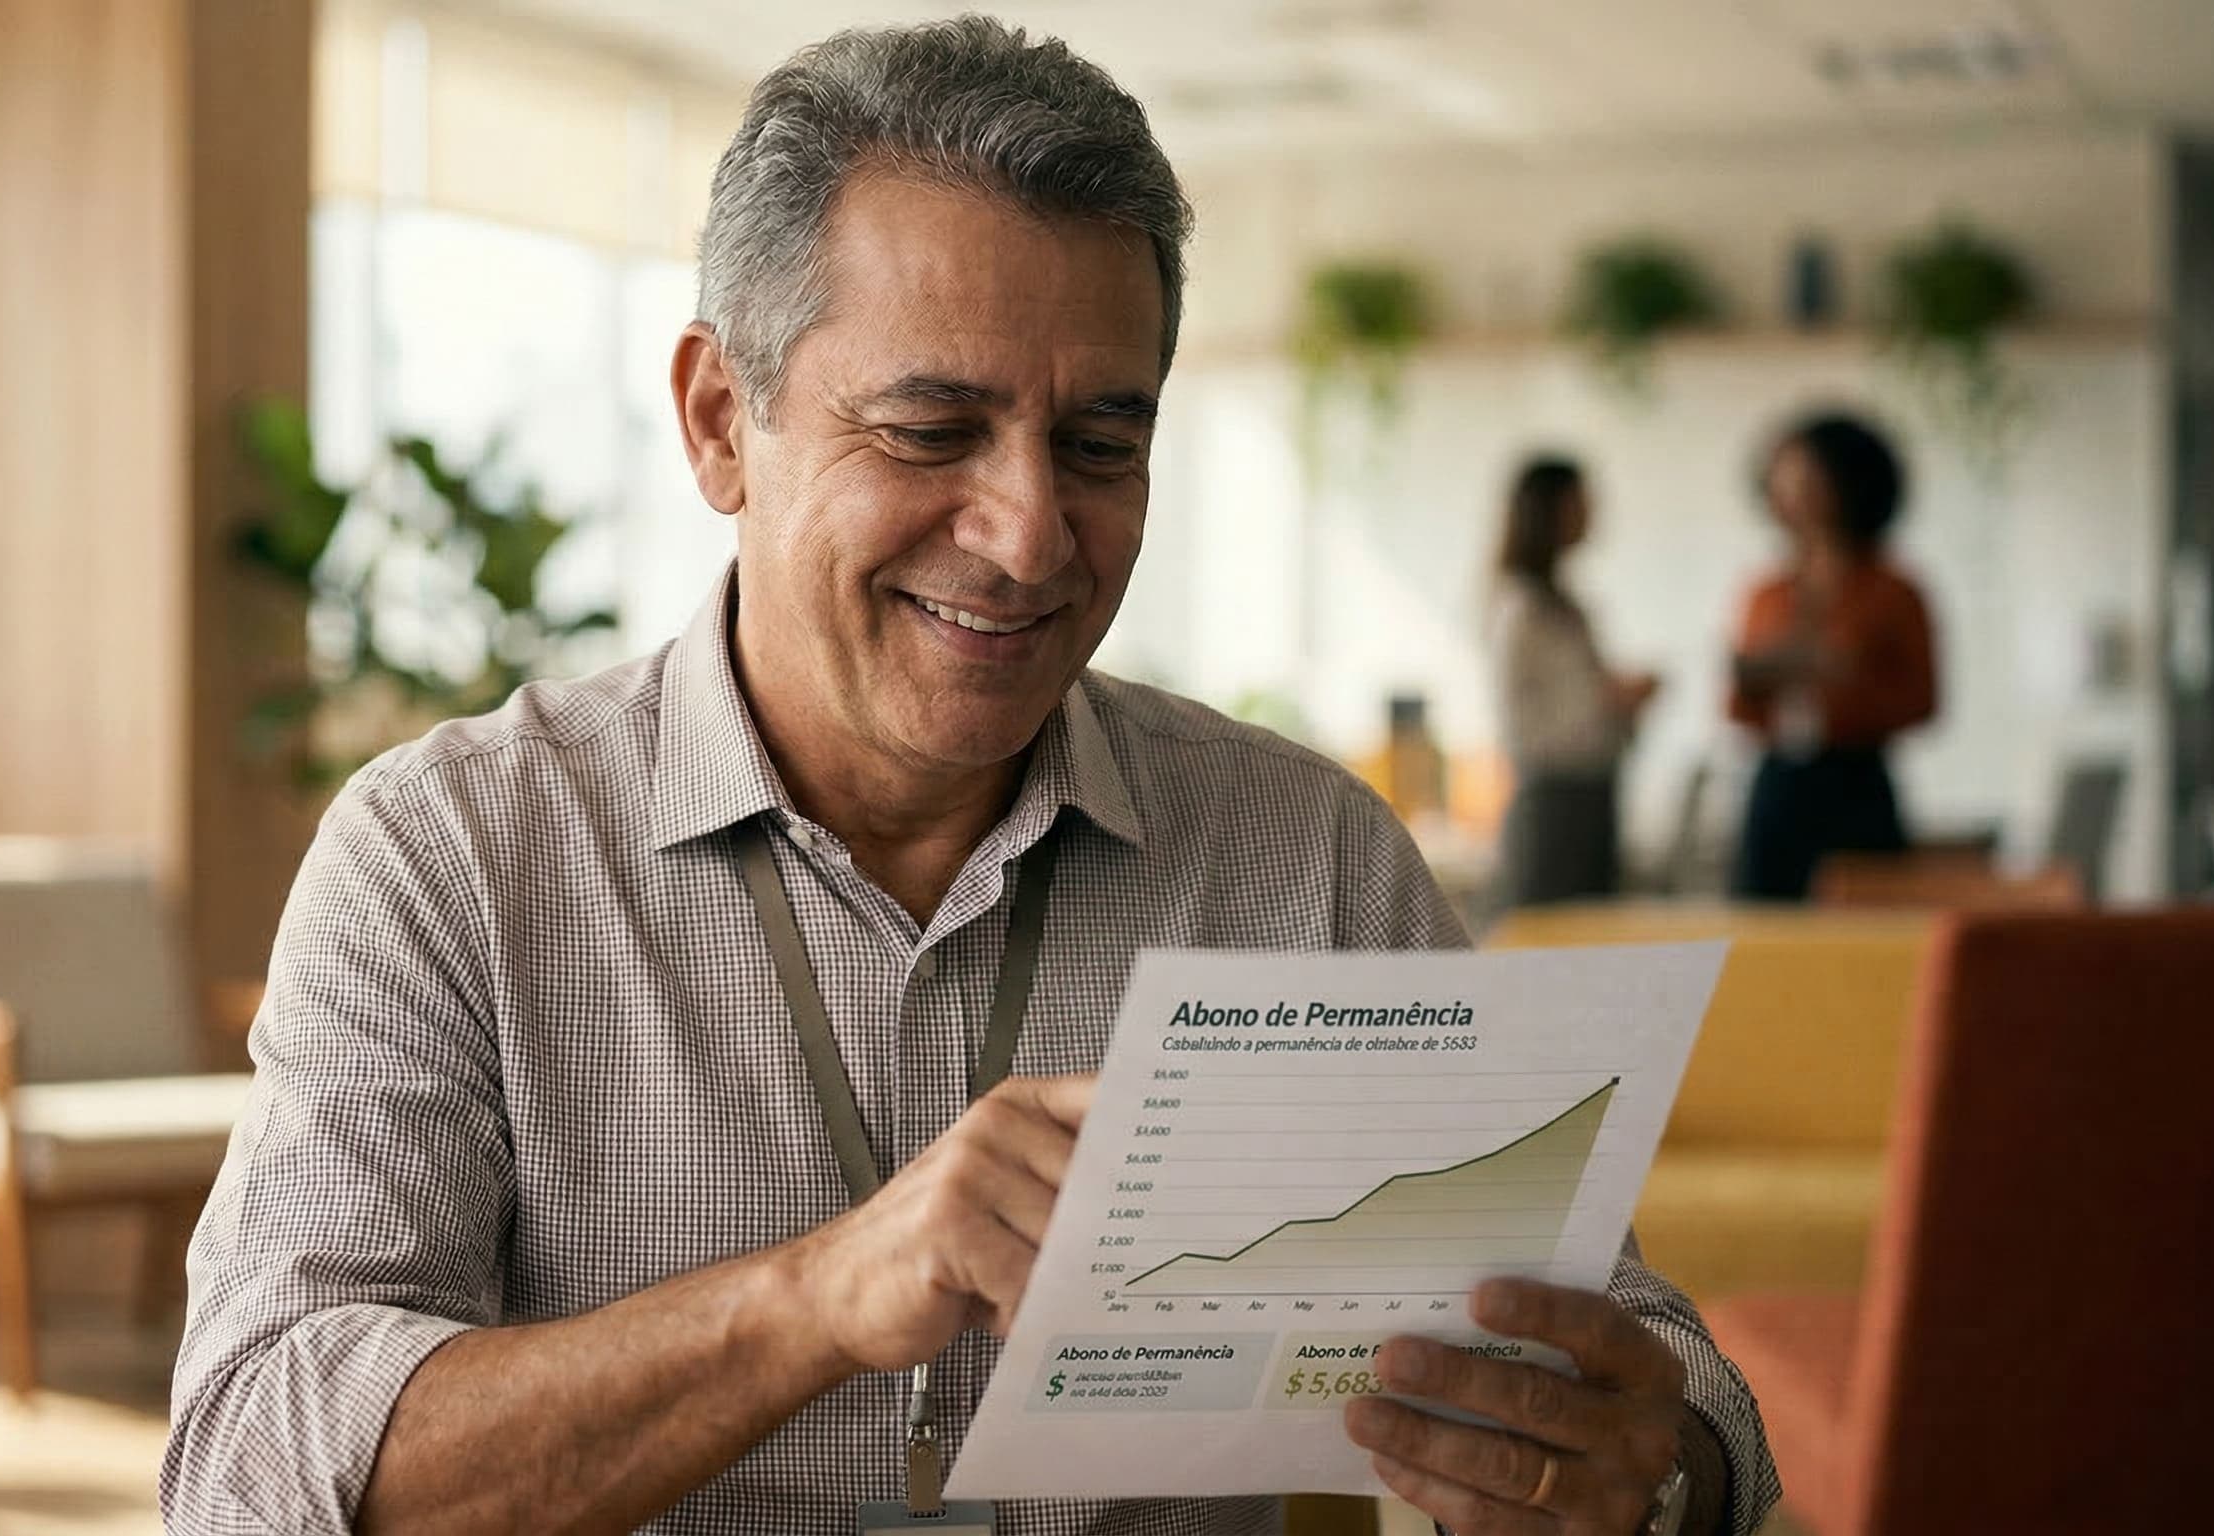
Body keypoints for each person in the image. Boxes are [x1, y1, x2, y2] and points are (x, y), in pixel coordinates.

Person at [164, 20, 1776, 1536]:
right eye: (933, 430)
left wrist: (1662, 1469)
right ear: (724, 420)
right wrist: (807, 1305)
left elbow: (1650, 1367)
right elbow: (249, 1460)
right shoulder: (449, 854)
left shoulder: (1306, 859)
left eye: (1100, 446)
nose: (1027, 537)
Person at [1726, 411, 1939, 900]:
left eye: (1807, 477)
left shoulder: (1894, 591)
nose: (1794, 493)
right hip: (1778, 781)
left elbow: (1924, 699)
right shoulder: (1767, 592)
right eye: (1785, 478)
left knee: (1865, 919)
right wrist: (1764, 677)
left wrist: (1843, 680)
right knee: (1764, 928)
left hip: (1857, 782)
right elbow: (1737, 707)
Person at [1488, 455, 1660, 907]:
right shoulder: (1521, 608)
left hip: (1590, 795)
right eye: (1581, 504)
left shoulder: (1565, 604)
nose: (1591, 516)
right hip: (1554, 803)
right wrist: (1613, 701)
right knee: (1551, 948)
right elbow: (1526, 727)